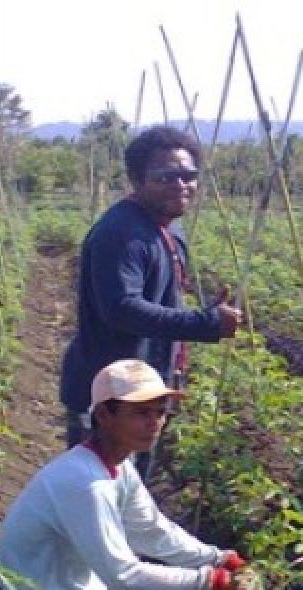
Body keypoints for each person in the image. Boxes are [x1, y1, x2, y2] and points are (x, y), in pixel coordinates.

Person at [0, 360, 266, 590]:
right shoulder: (85, 484)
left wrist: (220, 558)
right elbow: (123, 576)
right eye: (141, 413)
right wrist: (211, 580)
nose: (154, 422)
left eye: (159, 412)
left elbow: (153, 532)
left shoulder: (115, 466)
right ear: (105, 416)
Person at [59, 125, 242, 470]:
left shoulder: (168, 228)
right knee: (97, 489)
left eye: (188, 176)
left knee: (130, 491)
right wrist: (206, 323)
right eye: (165, 177)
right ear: (137, 179)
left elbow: (163, 300)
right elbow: (122, 309)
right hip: (109, 396)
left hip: (143, 387)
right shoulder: (121, 234)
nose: (180, 185)